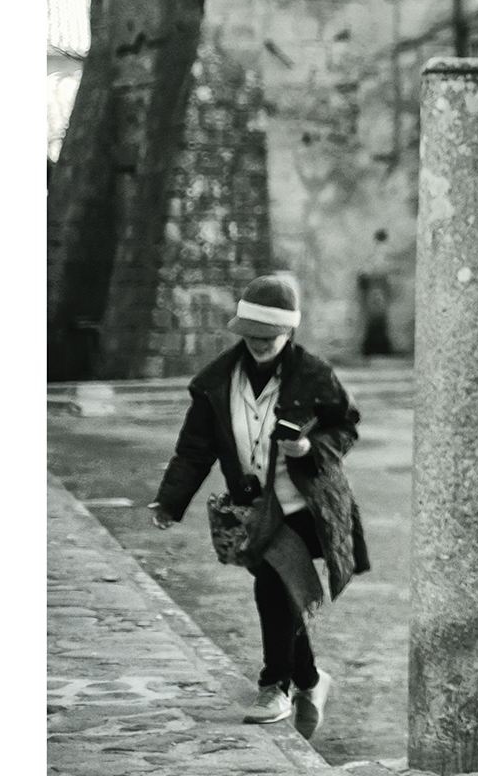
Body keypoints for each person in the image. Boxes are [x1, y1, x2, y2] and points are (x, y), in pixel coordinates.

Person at [148, 274, 369, 742]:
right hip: (255, 510)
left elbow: (346, 427)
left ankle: (276, 685)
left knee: (273, 584)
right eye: (250, 336)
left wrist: (308, 447)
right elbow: (194, 448)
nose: (259, 345)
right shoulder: (215, 383)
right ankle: (311, 679)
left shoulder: (314, 373)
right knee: (284, 590)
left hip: (309, 506)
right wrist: (170, 501)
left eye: (268, 338)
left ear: (288, 332)